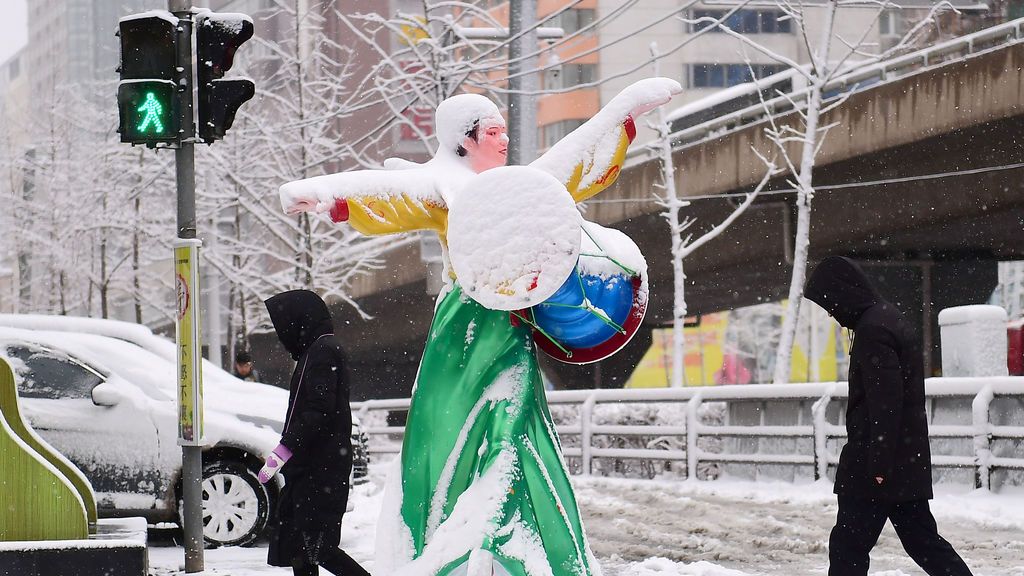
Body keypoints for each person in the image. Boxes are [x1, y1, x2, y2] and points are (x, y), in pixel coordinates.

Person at [803, 256, 974, 576]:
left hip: (877, 463)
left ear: (842, 293)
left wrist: (879, 464)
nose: (830, 312)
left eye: (829, 303)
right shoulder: (886, 319)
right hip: (901, 459)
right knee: (922, 540)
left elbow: (886, 403)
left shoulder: (873, 330)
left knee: (848, 546)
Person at [258, 289, 369, 576]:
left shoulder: (323, 351)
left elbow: (319, 408)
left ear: (299, 321)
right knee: (299, 546)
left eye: (284, 326)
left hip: (321, 470)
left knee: (318, 547)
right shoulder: (315, 351)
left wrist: (285, 449)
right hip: (310, 469)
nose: (282, 336)